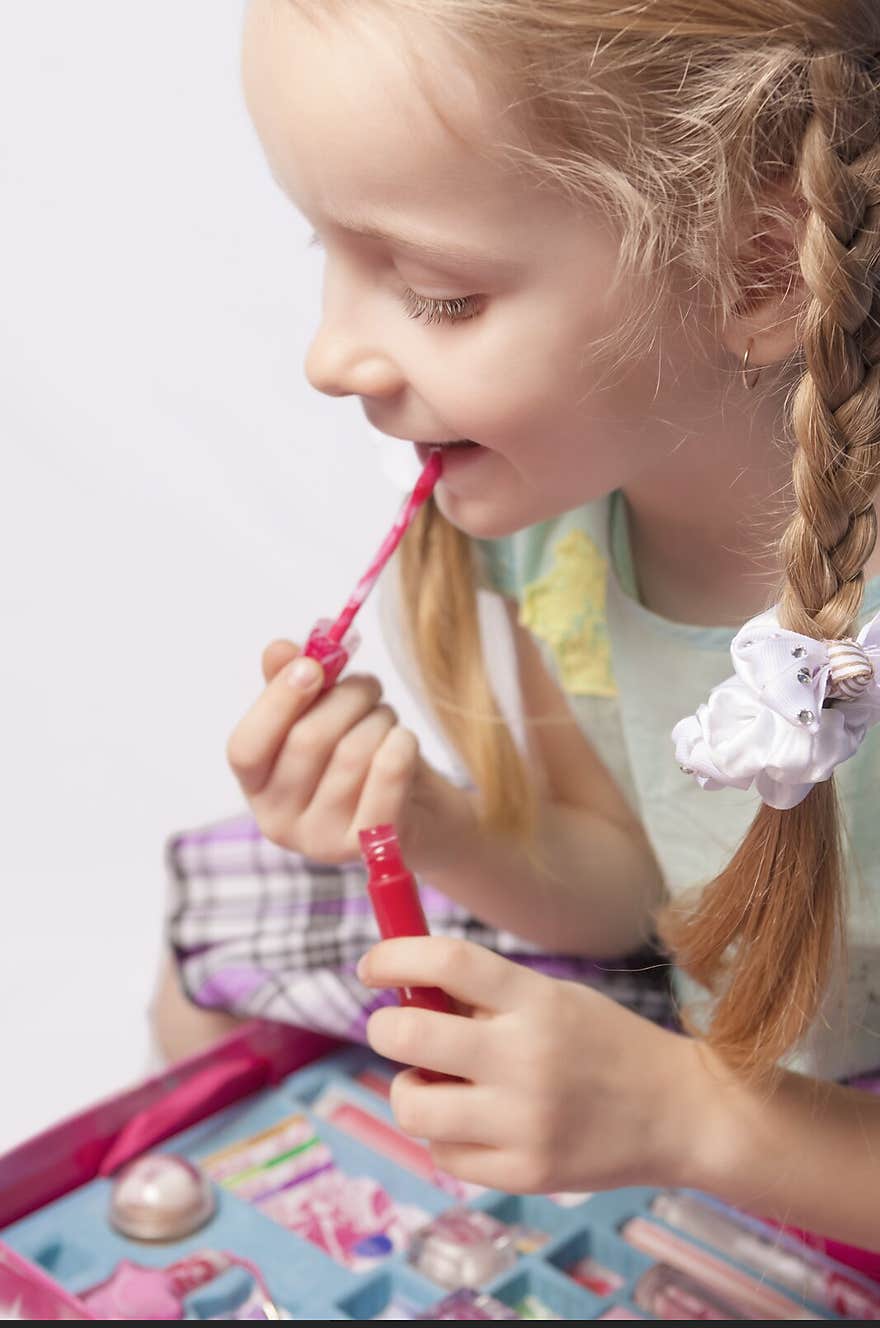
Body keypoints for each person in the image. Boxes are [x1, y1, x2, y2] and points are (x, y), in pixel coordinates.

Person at [151, 0, 880, 1253]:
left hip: (831, 1137)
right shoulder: (557, 532)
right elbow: (627, 883)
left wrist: (690, 1118)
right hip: (714, 1046)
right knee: (202, 967)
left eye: (436, 294)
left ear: (760, 270)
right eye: (322, 249)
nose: (330, 354)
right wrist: (426, 819)